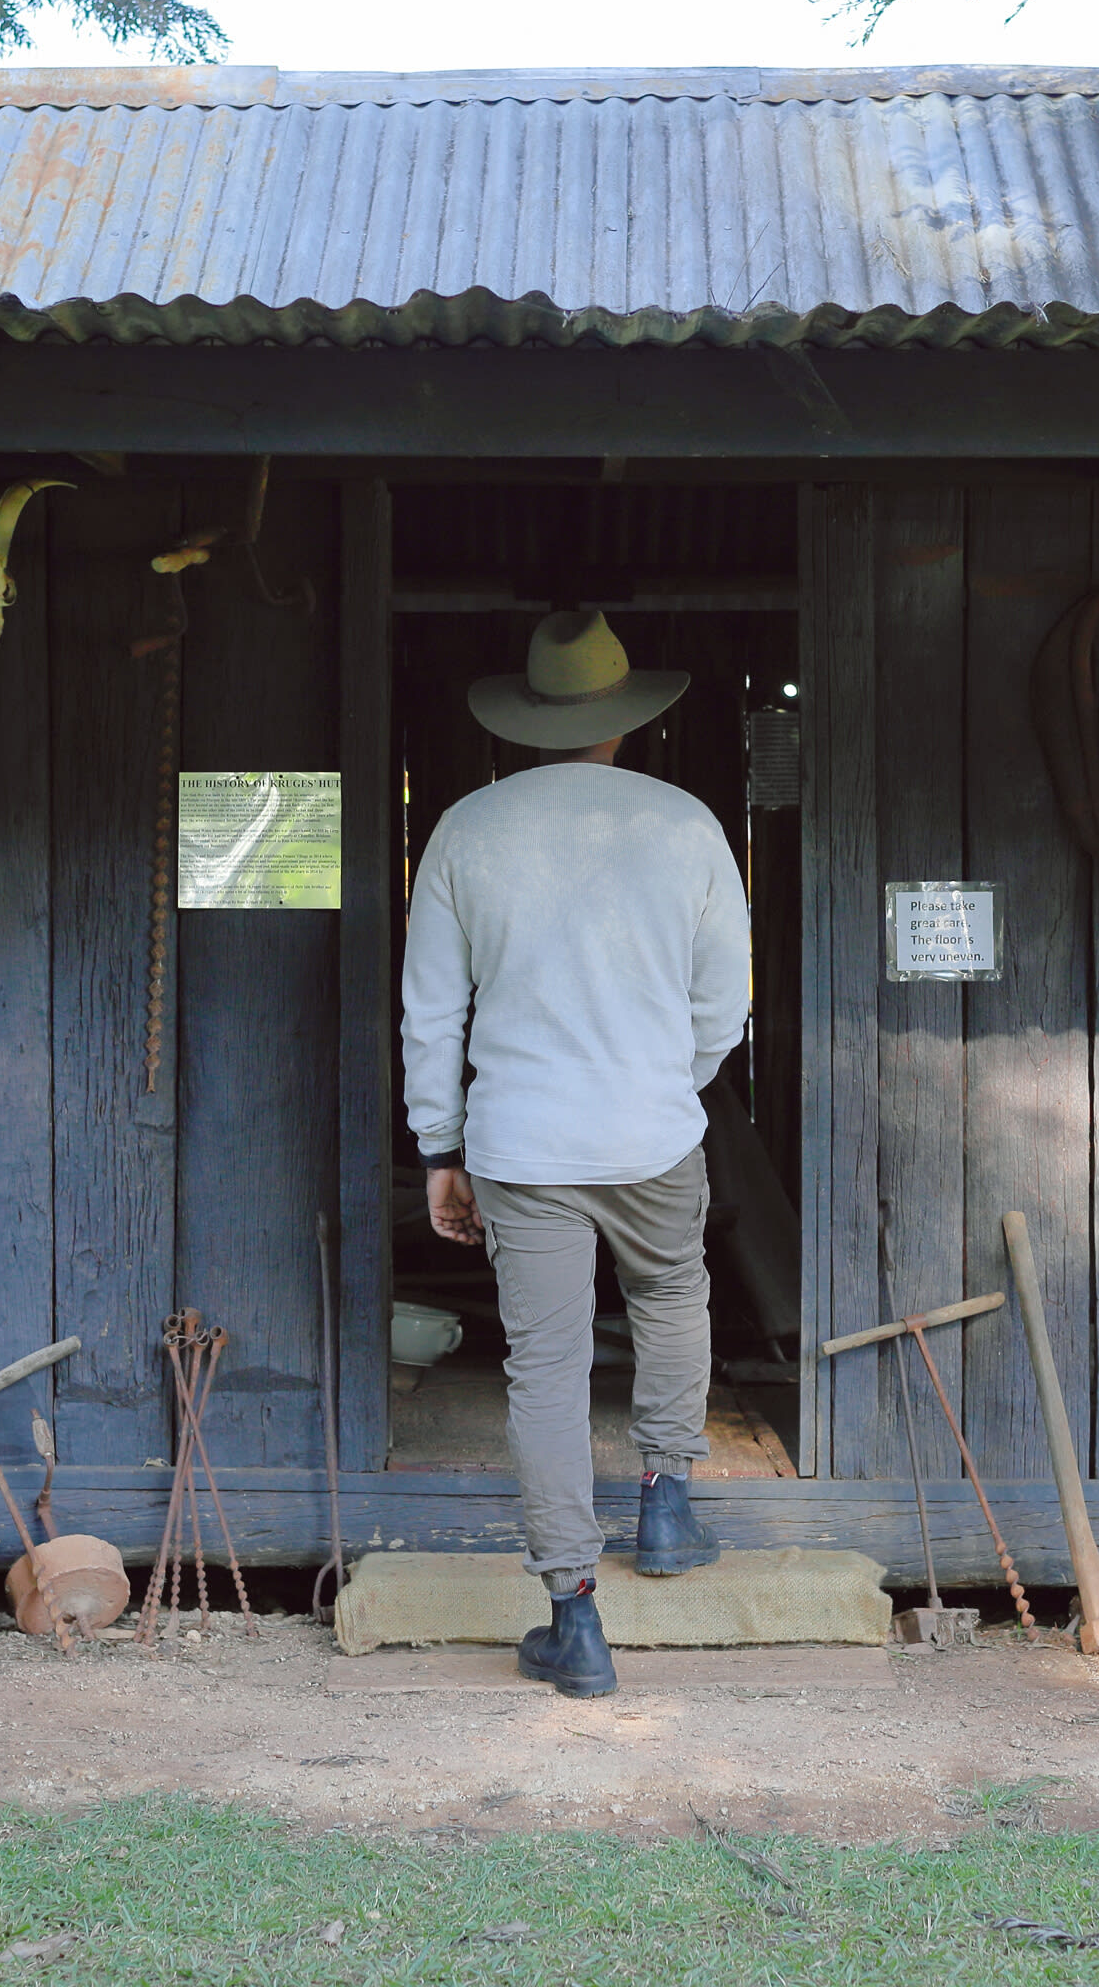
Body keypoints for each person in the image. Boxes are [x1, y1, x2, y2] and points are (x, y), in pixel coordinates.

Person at [399, 609, 753, 1699]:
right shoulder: (687, 823)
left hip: (523, 1140)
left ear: (523, 724)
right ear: (625, 719)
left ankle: (573, 1615)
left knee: (544, 1370)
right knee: (671, 1293)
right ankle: (665, 1494)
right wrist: (662, 1081)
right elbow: (725, 1004)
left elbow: (431, 1013)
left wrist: (439, 1146)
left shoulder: (466, 827)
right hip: (651, 1131)